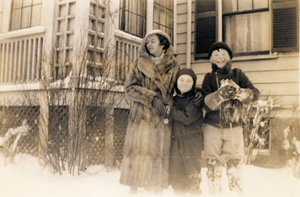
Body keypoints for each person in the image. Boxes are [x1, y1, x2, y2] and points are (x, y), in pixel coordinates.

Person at [119, 29, 180, 195]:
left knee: (157, 160)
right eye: (147, 41)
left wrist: (170, 104)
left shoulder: (174, 66)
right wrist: (152, 97)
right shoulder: (138, 64)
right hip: (141, 117)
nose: (148, 44)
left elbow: (180, 89)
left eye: (153, 41)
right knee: (138, 157)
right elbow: (129, 89)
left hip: (162, 118)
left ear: (163, 44)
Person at [201, 42, 260, 195]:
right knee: (213, 165)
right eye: (215, 54)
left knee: (234, 165)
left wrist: (241, 93)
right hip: (212, 128)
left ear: (229, 57)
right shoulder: (208, 78)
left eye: (223, 54)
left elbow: (254, 93)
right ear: (211, 59)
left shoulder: (238, 74)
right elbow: (205, 104)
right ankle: (215, 193)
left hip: (234, 127)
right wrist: (218, 96)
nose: (219, 57)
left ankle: (236, 193)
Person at [168, 68, 203, 196]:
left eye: (189, 81)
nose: (184, 83)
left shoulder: (195, 100)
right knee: (176, 176)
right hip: (175, 142)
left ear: (193, 84)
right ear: (176, 82)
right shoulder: (174, 100)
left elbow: (187, 118)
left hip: (191, 143)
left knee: (192, 175)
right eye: (181, 80)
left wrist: (170, 111)